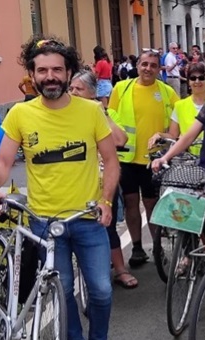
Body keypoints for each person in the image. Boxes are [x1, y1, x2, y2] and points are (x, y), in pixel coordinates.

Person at [0, 37, 125, 340]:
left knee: (102, 290)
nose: (50, 76)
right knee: (61, 291)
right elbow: (3, 161)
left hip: (88, 217)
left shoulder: (91, 111)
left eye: (57, 70)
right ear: (32, 74)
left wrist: (106, 201)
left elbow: (110, 159)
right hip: (45, 222)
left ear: (69, 73)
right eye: (42, 70)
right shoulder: (20, 113)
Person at [108, 49, 180, 267]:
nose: (148, 68)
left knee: (152, 204)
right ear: (137, 66)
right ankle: (137, 248)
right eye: (144, 64)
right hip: (127, 159)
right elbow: (110, 120)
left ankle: (157, 247)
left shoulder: (167, 92)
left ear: (159, 69)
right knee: (131, 202)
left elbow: (179, 123)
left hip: (154, 160)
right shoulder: (122, 88)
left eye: (153, 65)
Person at [70, 70, 137, 290]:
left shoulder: (103, 112)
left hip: (102, 180)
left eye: (78, 89)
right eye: (71, 88)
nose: (73, 92)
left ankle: (120, 269)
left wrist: (101, 112)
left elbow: (120, 139)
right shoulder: (66, 113)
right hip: (74, 180)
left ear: (92, 92)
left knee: (106, 227)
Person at [161, 62, 205, 157]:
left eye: (201, 78)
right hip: (189, 160)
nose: (197, 81)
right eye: (193, 78)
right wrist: (159, 135)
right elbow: (173, 135)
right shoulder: (180, 105)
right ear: (188, 82)